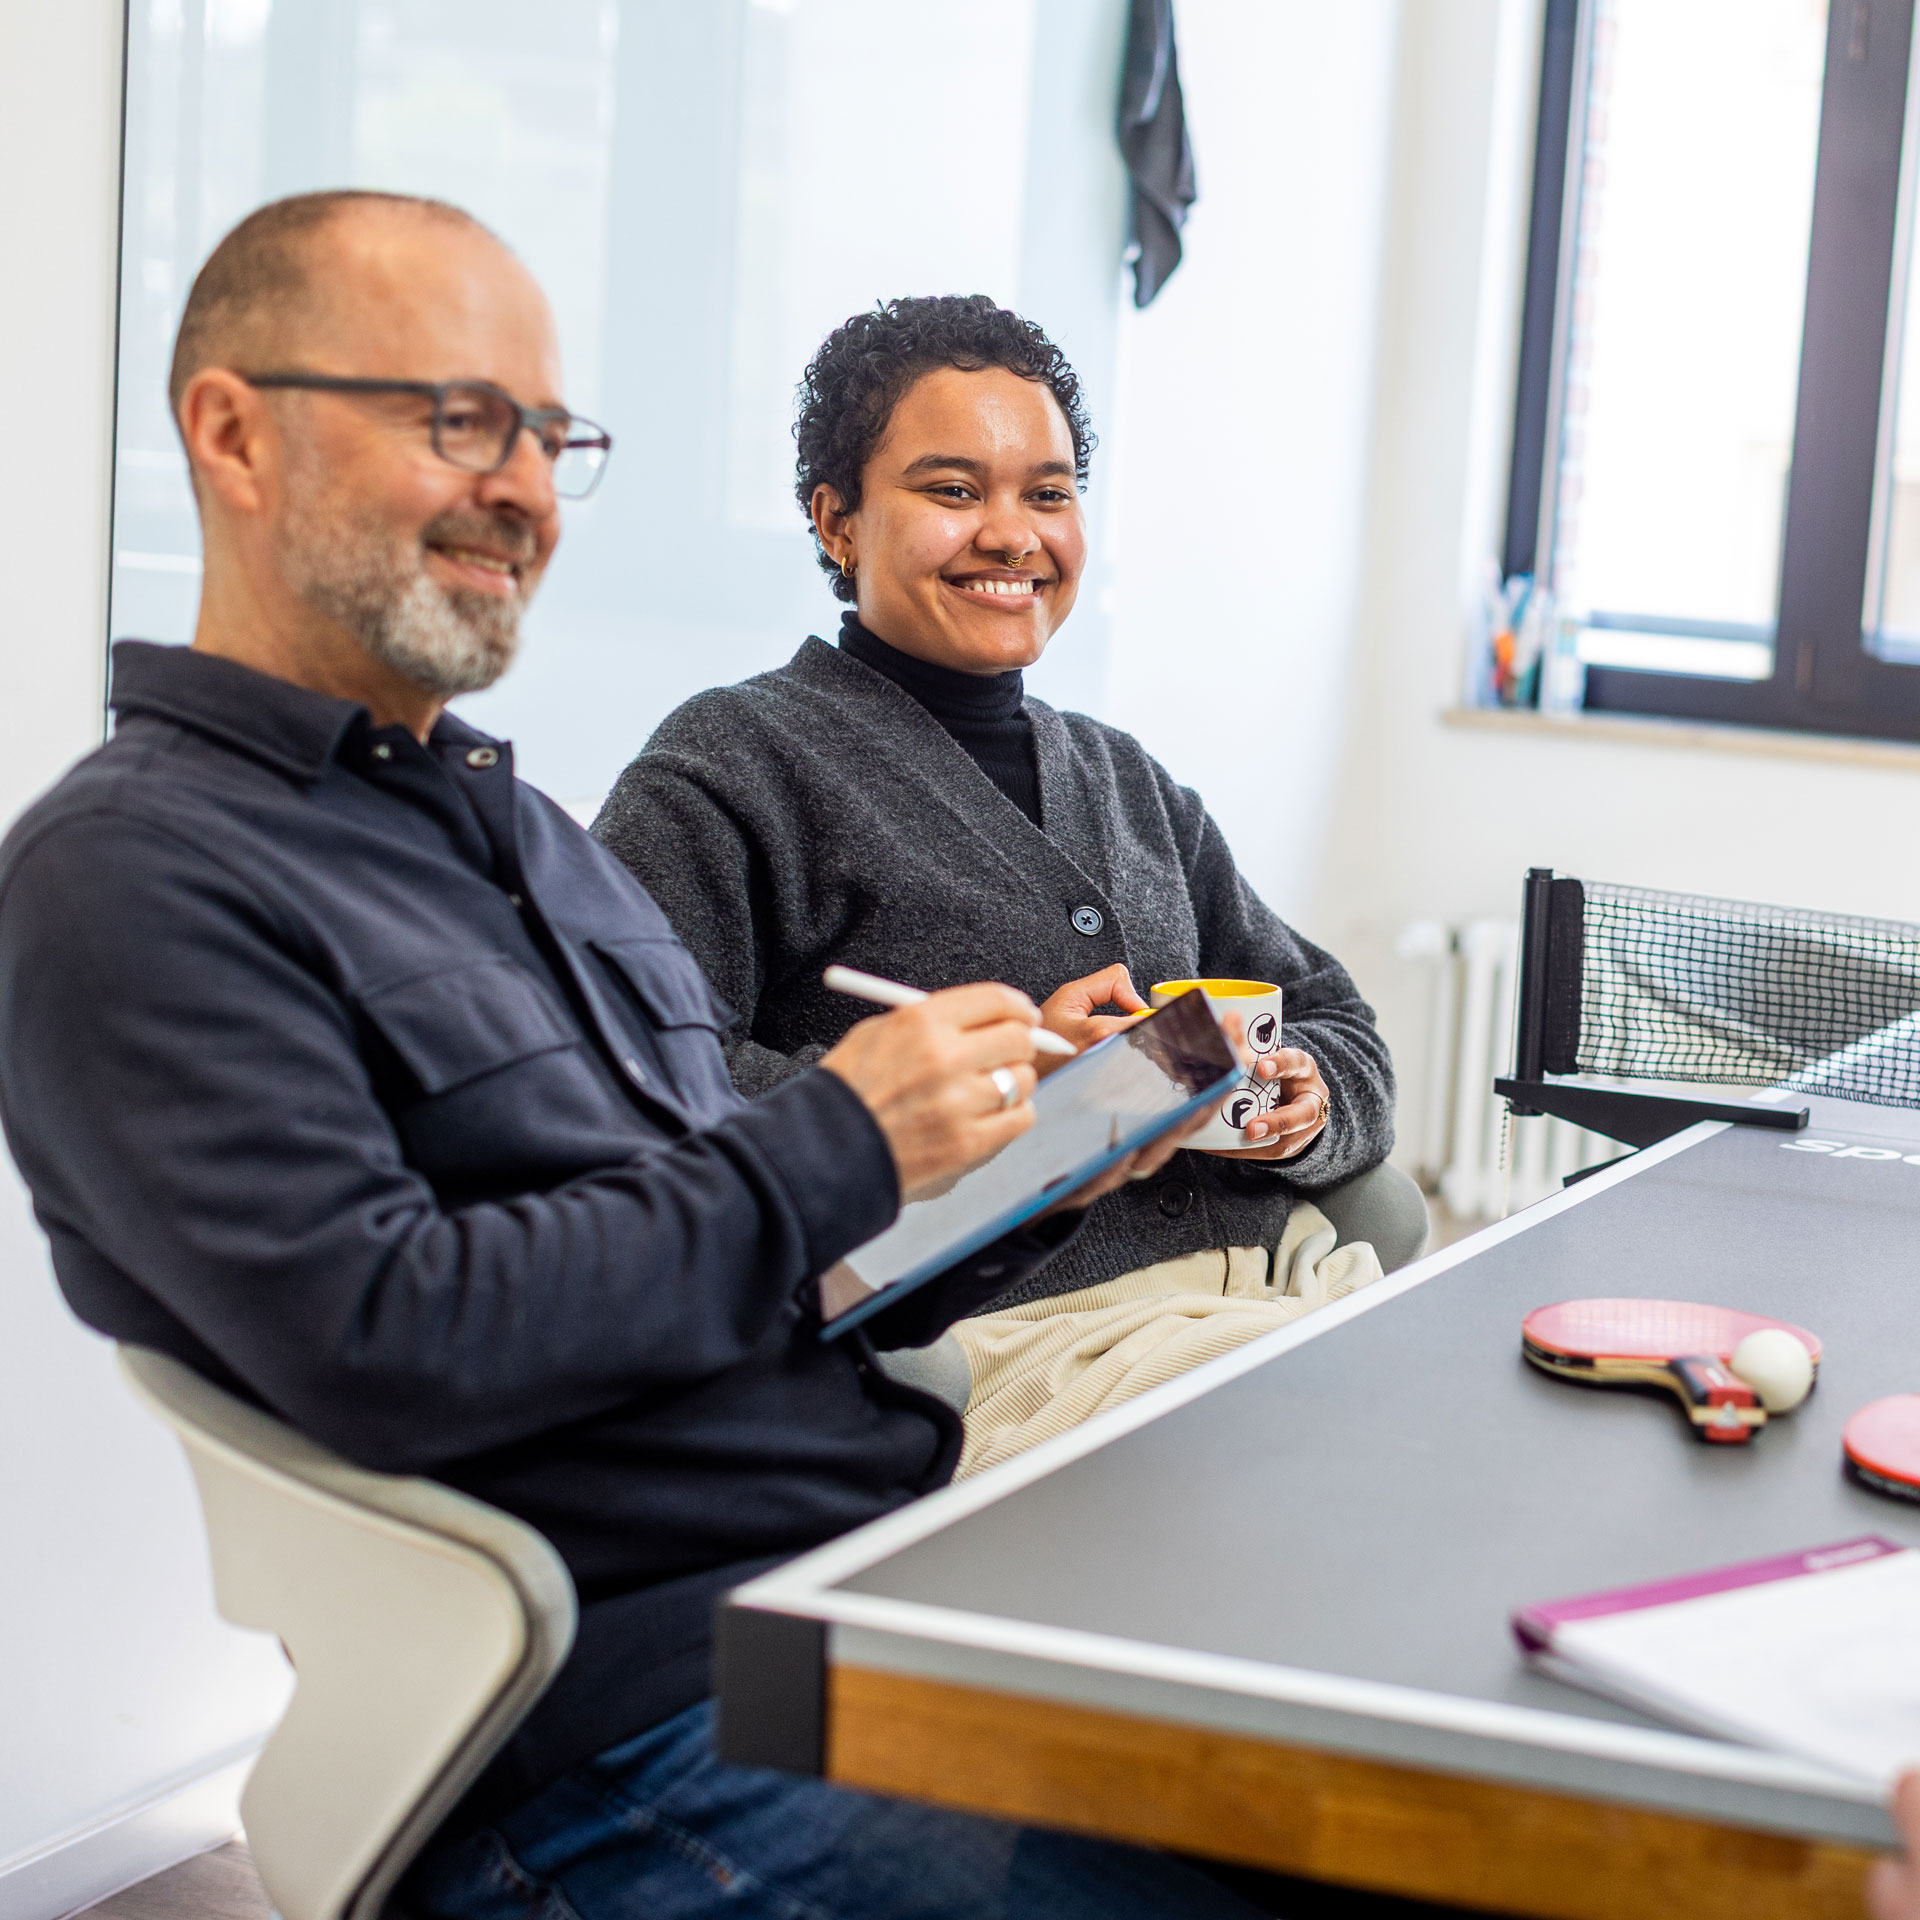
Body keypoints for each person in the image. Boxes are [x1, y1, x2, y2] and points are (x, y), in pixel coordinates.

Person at [0, 194, 1272, 1920]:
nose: (520, 483)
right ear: (231, 433)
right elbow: (391, 1339)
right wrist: (842, 1132)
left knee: (1394, 1795)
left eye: (545, 432)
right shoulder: (131, 876)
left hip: (864, 1581)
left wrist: (1028, 1152)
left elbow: (757, 1270)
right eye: (455, 418)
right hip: (623, 1735)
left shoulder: (532, 841)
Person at [594, 296, 1405, 1466]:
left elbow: (1336, 1018)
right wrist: (1008, 1101)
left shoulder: (1128, 781)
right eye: (953, 490)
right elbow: (644, 1090)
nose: (1014, 535)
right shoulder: (730, 767)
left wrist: (1303, 1103)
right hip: (1009, 1348)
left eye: (1049, 491)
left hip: (1279, 1283)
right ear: (837, 521)